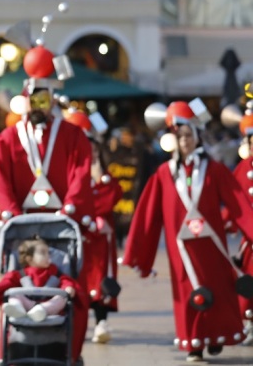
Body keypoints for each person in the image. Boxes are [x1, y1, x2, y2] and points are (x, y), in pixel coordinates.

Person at [0, 42, 94, 363]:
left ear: (53, 100)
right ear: (25, 98)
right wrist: (11, 212)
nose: (40, 105)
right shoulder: (6, 139)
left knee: (70, 285)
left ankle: (69, 353)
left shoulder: (73, 136)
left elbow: (81, 171)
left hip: (64, 225)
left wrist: (70, 208)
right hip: (22, 227)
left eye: (45, 99)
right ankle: (14, 348)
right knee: (16, 284)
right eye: (35, 98)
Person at [122, 100, 253, 362]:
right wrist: (138, 251)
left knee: (218, 286)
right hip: (180, 246)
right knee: (186, 292)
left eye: (188, 136)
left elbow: (238, 201)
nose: (184, 142)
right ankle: (193, 344)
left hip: (210, 243)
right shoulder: (163, 173)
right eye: (179, 137)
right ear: (172, 141)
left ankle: (215, 337)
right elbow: (148, 214)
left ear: (196, 137)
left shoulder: (213, 169)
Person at [64, 110, 123, 344]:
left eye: (94, 150)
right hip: (79, 237)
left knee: (101, 279)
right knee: (77, 278)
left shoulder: (105, 178)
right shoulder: (70, 176)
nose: (91, 155)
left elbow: (112, 197)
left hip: (100, 242)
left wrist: (100, 179)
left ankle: (101, 323)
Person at [0, 236, 79, 322]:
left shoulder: (54, 271)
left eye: (48, 253)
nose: (48, 256)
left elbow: (64, 280)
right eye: (43, 253)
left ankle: (42, 310)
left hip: (48, 304)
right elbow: (8, 281)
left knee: (62, 298)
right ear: (29, 258)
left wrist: (68, 287)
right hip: (27, 304)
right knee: (14, 295)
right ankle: (17, 308)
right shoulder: (22, 273)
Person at [231, 112, 253, 346]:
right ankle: (250, 323)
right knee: (249, 283)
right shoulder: (243, 168)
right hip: (250, 240)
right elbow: (232, 197)